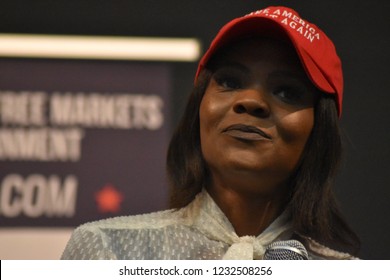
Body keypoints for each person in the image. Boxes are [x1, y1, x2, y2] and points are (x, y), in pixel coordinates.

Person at [61, 6, 360, 260]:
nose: (251, 101)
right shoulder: (106, 250)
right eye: (229, 82)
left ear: (319, 132)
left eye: (286, 91)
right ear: (198, 109)